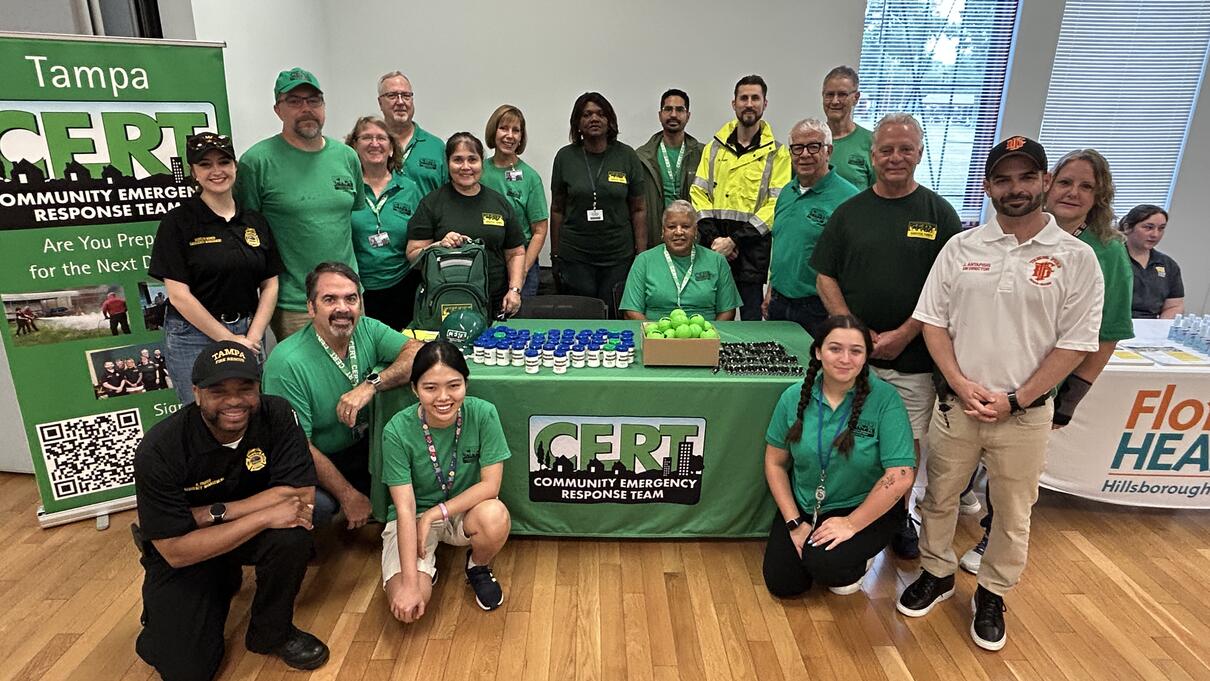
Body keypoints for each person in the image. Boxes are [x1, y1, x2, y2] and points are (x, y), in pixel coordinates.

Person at [900, 136, 1102, 651]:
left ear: (1045, 183)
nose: (1015, 188)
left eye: (1026, 177)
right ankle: (937, 572)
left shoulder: (1075, 258)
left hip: (1024, 414)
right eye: (1004, 178)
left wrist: (1016, 398)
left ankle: (992, 592)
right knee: (940, 495)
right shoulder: (961, 248)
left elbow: (1075, 344)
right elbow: (934, 324)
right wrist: (961, 383)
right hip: (959, 405)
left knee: (1013, 512)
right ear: (988, 186)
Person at [959, 148, 1135, 575]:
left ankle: (992, 538)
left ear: (1100, 197)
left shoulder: (1105, 253)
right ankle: (963, 494)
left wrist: (1071, 395)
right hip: (983, 380)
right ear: (1047, 183)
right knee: (968, 456)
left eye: (1086, 186)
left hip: (1040, 389)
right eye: (1066, 182)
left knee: (1015, 482)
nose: (1073, 192)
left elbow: (1106, 333)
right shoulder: (1009, 235)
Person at [810, 113, 962, 558]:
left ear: (919, 153)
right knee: (848, 439)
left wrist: (905, 332)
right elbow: (825, 278)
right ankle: (848, 509)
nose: (895, 157)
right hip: (852, 362)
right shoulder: (849, 213)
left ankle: (900, 516)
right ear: (872, 155)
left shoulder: (940, 214)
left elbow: (950, 289)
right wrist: (854, 334)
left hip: (914, 361)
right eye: (886, 150)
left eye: (905, 149)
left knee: (906, 447)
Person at [133, 340, 327, 679]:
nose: (234, 400)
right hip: (187, 546)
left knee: (294, 533)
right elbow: (176, 551)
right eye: (218, 391)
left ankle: (271, 632)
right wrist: (263, 513)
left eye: (245, 388)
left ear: (258, 387)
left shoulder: (278, 414)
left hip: (205, 530)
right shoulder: (159, 449)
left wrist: (204, 514)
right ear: (196, 392)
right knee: (186, 670)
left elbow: (300, 494)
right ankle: (168, 619)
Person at [762, 315, 916, 597]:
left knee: (829, 569)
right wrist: (794, 523)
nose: (845, 359)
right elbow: (775, 463)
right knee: (784, 585)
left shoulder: (885, 399)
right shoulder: (793, 397)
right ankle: (820, 549)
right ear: (818, 352)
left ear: (866, 356)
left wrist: (851, 524)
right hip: (808, 503)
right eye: (835, 349)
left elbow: (901, 475)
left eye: (856, 351)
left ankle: (862, 557)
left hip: (863, 505)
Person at [262, 262, 422, 530]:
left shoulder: (367, 328)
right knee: (319, 508)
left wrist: (372, 384)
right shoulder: (286, 364)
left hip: (359, 447)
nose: (343, 308)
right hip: (310, 459)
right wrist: (348, 496)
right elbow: (299, 445)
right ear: (310, 308)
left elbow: (417, 352)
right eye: (329, 299)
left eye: (351, 298)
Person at [380, 340, 512, 620]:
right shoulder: (396, 430)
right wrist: (411, 584)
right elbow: (404, 509)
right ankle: (426, 569)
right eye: (430, 388)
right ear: (415, 389)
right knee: (409, 609)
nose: (443, 397)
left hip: (463, 511)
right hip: (413, 517)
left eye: (454, 385)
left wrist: (435, 514)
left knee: (495, 514)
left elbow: (491, 486)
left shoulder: (483, 413)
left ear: (466, 383)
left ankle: (477, 565)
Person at [150, 131, 282, 404]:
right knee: (201, 415)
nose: (216, 171)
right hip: (192, 337)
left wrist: (253, 336)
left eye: (223, 162)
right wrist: (229, 339)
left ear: (235, 166)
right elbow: (178, 296)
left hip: (248, 331)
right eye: (206, 164)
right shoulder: (178, 222)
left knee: (250, 408)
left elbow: (270, 283)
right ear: (193, 172)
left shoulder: (254, 221)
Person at [236, 68, 363, 340]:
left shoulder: (347, 157)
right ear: (278, 109)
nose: (306, 109)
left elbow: (348, 220)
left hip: (349, 298)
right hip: (295, 303)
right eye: (294, 101)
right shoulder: (257, 161)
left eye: (313, 100)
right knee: (307, 380)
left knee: (355, 374)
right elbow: (248, 233)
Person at [690, 75, 792, 321]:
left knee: (751, 321)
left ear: (764, 104)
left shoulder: (778, 153)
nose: (749, 103)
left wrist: (734, 241)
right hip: (713, 247)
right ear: (733, 103)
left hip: (752, 250)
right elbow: (698, 193)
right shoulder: (713, 148)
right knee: (710, 317)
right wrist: (716, 239)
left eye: (755, 98)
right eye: (743, 98)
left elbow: (775, 204)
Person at [406, 133, 526, 319]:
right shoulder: (431, 204)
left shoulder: (498, 203)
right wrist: (438, 246)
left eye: (472, 159)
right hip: (445, 304)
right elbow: (413, 255)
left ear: (481, 163)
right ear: (447, 164)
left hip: (495, 302)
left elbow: (516, 252)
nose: (466, 167)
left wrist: (515, 290)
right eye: (457, 160)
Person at [762, 118, 860, 338]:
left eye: (813, 146)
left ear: (829, 151)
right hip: (779, 303)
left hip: (819, 310)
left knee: (815, 370)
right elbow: (780, 243)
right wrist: (770, 289)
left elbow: (856, 264)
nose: (804, 154)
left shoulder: (849, 199)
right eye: (797, 148)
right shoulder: (787, 191)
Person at [550, 92, 648, 307]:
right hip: (575, 255)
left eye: (600, 114)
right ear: (577, 123)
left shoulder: (627, 156)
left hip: (618, 256)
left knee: (613, 315)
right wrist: (555, 254)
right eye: (586, 114)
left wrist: (641, 255)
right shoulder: (565, 157)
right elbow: (557, 209)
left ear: (610, 121)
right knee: (581, 315)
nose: (594, 119)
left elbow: (639, 209)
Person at [346, 116, 423, 331]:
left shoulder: (409, 189)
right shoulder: (345, 189)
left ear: (391, 148)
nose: (374, 143)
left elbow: (422, 236)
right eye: (366, 137)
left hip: (404, 285)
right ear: (354, 146)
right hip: (358, 289)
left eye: (381, 138)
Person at [619, 200, 742, 321]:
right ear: (663, 231)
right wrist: (656, 336)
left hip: (706, 335)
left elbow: (728, 311)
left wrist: (708, 337)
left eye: (686, 226)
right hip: (656, 334)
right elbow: (631, 312)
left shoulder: (717, 261)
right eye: (671, 227)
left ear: (695, 231)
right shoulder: (644, 261)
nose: (678, 232)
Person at [481, 105, 549, 298]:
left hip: (522, 259)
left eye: (516, 130)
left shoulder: (530, 177)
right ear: (493, 131)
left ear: (521, 137)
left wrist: (523, 268)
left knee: (518, 319)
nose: (509, 136)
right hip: (487, 259)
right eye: (504, 128)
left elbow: (540, 230)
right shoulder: (478, 172)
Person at [636, 89, 705, 250]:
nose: (673, 115)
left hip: (695, 242)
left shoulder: (703, 155)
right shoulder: (641, 157)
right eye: (668, 109)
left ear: (688, 116)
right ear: (660, 115)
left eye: (680, 110)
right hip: (656, 242)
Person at [376, 71, 448, 196]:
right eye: (392, 95)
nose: (400, 102)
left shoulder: (436, 147)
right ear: (380, 103)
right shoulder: (371, 147)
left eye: (406, 96)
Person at [1121, 204, 1183, 319]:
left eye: (1161, 228)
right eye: (1148, 227)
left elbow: (1174, 306)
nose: (1155, 234)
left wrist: (1159, 329)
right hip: (1115, 325)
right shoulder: (1112, 259)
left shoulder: (1168, 265)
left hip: (1151, 327)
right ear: (1127, 228)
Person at [821, 66, 875, 190]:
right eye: (829, 94)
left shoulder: (872, 142)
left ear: (856, 98)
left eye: (842, 95)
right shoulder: (810, 141)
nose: (835, 101)